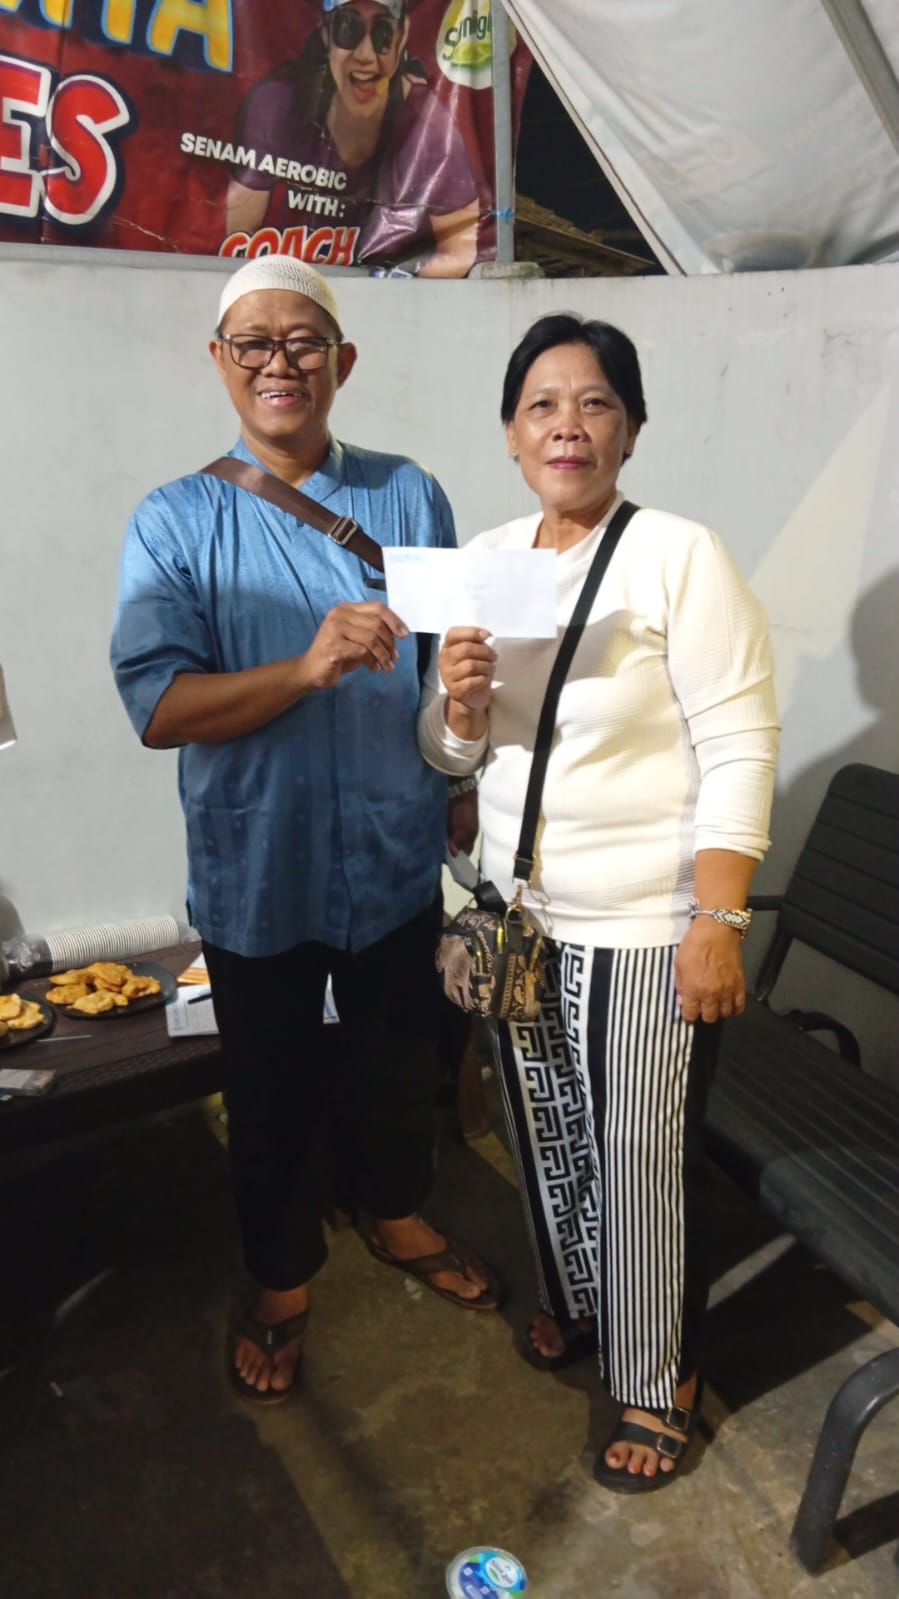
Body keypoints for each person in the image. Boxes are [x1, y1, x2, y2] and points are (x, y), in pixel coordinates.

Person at [110, 255, 500, 1407]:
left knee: (398, 1064)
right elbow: (159, 709)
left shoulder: (408, 496)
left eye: (303, 341)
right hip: (258, 865)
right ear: (220, 362)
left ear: (342, 361)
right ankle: (281, 1282)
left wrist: (466, 750)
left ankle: (396, 1212)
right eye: (254, 343)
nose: (279, 363)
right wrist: (305, 667)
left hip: (391, 853)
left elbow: (437, 674)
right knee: (270, 1089)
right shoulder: (175, 522)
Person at [418, 313, 780, 1490]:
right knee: (549, 1137)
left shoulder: (677, 555)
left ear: (628, 428)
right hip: (524, 918)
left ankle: (654, 1375)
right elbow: (451, 755)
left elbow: (738, 743)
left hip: (642, 924)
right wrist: (456, 706)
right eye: (541, 404)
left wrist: (717, 920)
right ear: (509, 432)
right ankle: (584, 1306)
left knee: (636, 1154)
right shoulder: (489, 559)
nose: (565, 425)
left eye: (593, 403)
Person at [226, 0, 480, 277]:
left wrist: (385, 293)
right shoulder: (279, 104)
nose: (365, 55)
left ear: (402, 38)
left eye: (383, 34)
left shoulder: (427, 125)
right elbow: (237, 238)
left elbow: (462, 250)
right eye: (349, 29)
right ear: (326, 34)